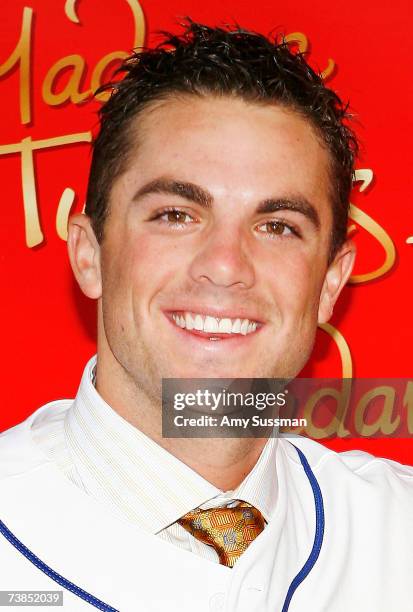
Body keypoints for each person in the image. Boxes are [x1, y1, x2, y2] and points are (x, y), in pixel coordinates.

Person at [0, 20, 412, 612]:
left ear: (329, 283)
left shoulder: (399, 536)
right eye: (176, 214)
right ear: (89, 255)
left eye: (277, 227)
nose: (224, 266)